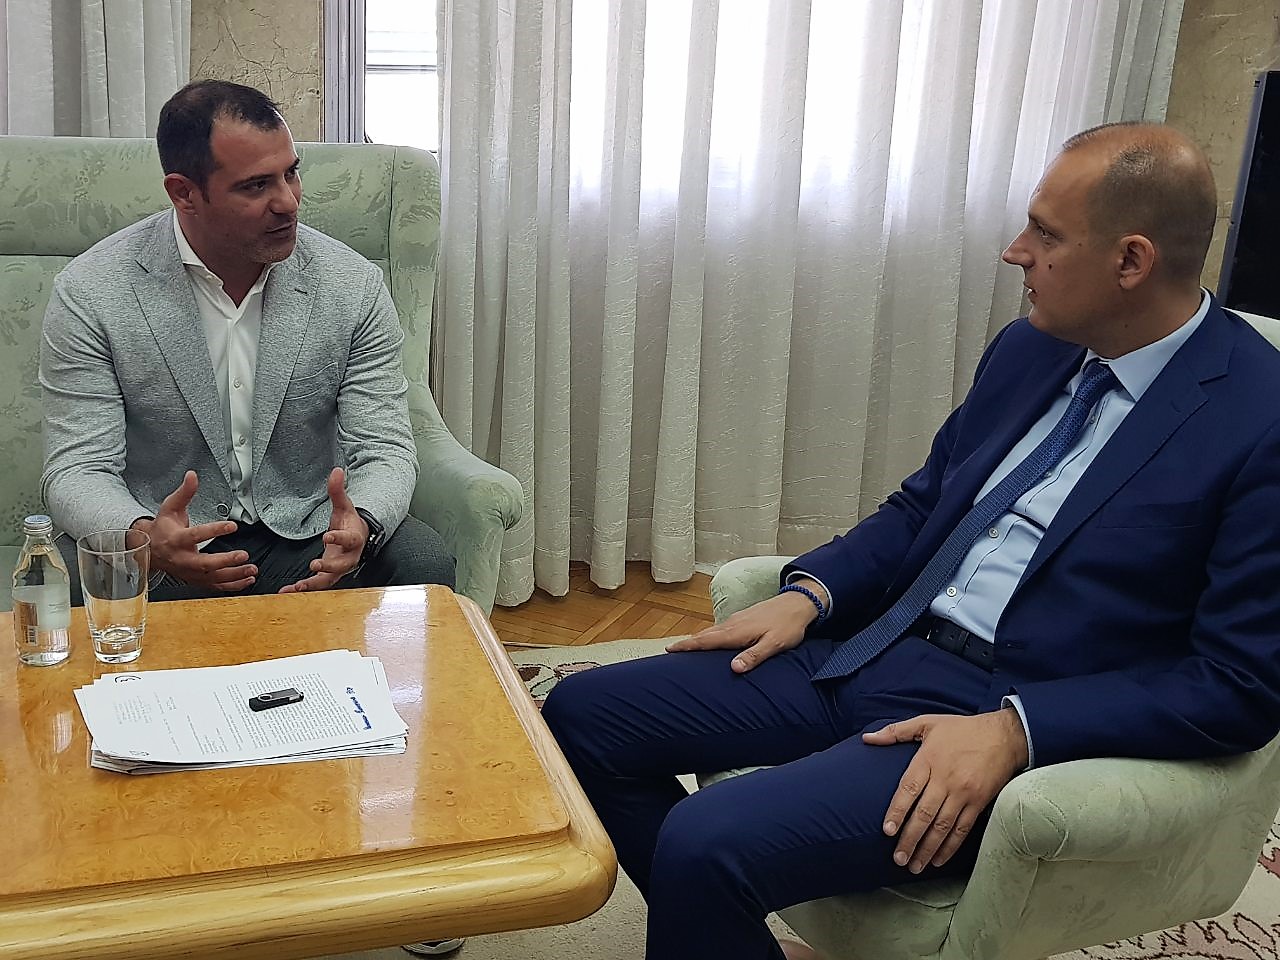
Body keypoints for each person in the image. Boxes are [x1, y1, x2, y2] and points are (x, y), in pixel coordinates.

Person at [542, 122, 1280, 960]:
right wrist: (809, 594)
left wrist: (1018, 730)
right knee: (581, 718)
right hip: (880, 646)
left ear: (1131, 261)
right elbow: (923, 504)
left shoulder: (1260, 418)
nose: (1015, 251)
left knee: (704, 841)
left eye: (1046, 234)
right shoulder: (1034, 348)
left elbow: (1239, 685)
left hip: (993, 714)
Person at [40, 79, 455, 601]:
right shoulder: (92, 291)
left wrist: (363, 523)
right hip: (165, 540)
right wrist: (142, 535)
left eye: (291, 173)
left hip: (309, 532)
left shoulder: (351, 284)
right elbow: (77, 466)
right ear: (184, 193)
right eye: (256, 186)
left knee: (423, 561)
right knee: (68, 582)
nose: (288, 202)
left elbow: (384, 445)